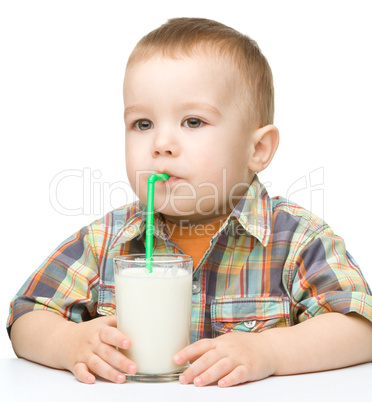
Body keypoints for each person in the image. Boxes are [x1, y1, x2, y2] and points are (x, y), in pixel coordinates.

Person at [7, 17, 372, 388]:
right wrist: (67, 342)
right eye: (143, 124)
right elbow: (27, 314)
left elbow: (360, 326)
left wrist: (271, 352)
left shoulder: (296, 240)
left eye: (193, 122)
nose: (161, 144)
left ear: (257, 149)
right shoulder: (107, 240)